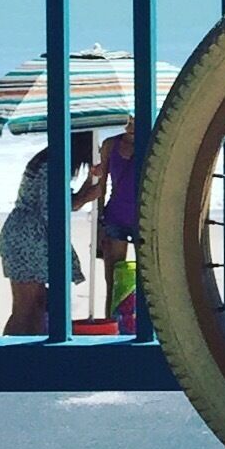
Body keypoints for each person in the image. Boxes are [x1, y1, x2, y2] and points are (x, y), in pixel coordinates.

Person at [0, 129, 100, 337]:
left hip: (25, 235)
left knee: (37, 303)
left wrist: (90, 183)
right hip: (28, 237)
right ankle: (11, 351)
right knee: (27, 307)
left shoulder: (50, 160)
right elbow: (52, 209)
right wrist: (85, 197)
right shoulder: (53, 165)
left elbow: (60, 201)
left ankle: (26, 349)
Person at [96, 117, 139, 322]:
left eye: (135, 122)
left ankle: (143, 325)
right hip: (115, 216)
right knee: (113, 280)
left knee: (148, 279)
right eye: (128, 121)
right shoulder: (110, 144)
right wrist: (99, 221)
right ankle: (111, 324)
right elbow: (101, 185)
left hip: (143, 219)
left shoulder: (152, 144)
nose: (130, 126)